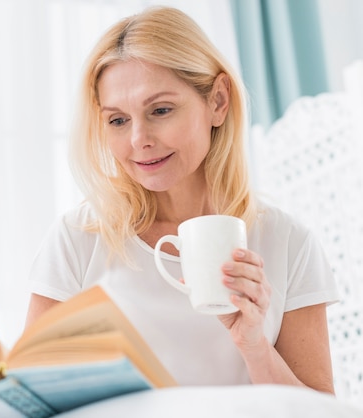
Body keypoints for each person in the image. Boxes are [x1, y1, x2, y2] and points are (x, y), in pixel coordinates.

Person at [25, 6, 339, 393]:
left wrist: (254, 345)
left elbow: (321, 411)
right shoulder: (77, 239)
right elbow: (30, 397)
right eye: (118, 120)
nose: (139, 138)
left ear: (218, 101)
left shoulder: (287, 243)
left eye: (160, 110)